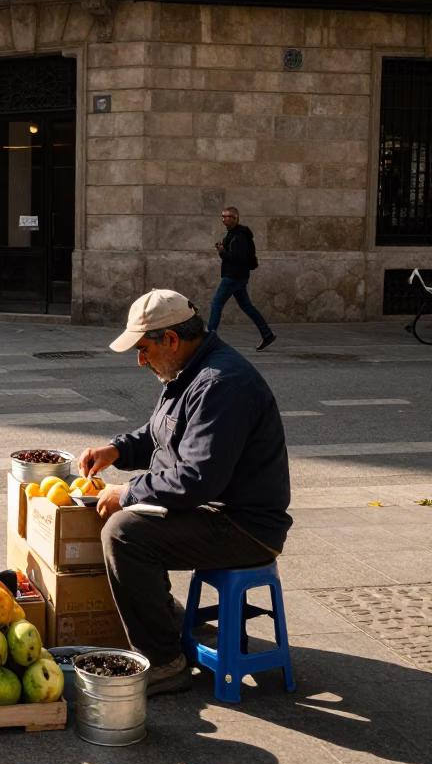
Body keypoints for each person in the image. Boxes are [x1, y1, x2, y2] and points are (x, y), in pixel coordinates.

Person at [77, 289, 292, 695]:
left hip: (244, 526)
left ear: (171, 339)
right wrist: (118, 449)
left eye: (144, 349)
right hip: (214, 510)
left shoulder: (220, 383)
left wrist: (128, 492)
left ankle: (164, 662)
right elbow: (162, 434)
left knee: (124, 533)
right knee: (134, 520)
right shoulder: (187, 370)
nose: (141, 361)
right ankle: (169, 619)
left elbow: (196, 478)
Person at [208, 206, 275, 351]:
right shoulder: (234, 234)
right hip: (238, 277)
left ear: (235, 218)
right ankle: (267, 334)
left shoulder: (239, 236)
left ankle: (210, 338)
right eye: (222, 216)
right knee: (247, 306)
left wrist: (222, 251)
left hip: (233, 276)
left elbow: (236, 258)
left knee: (216, 304)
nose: (223, 219)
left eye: (227, 216)